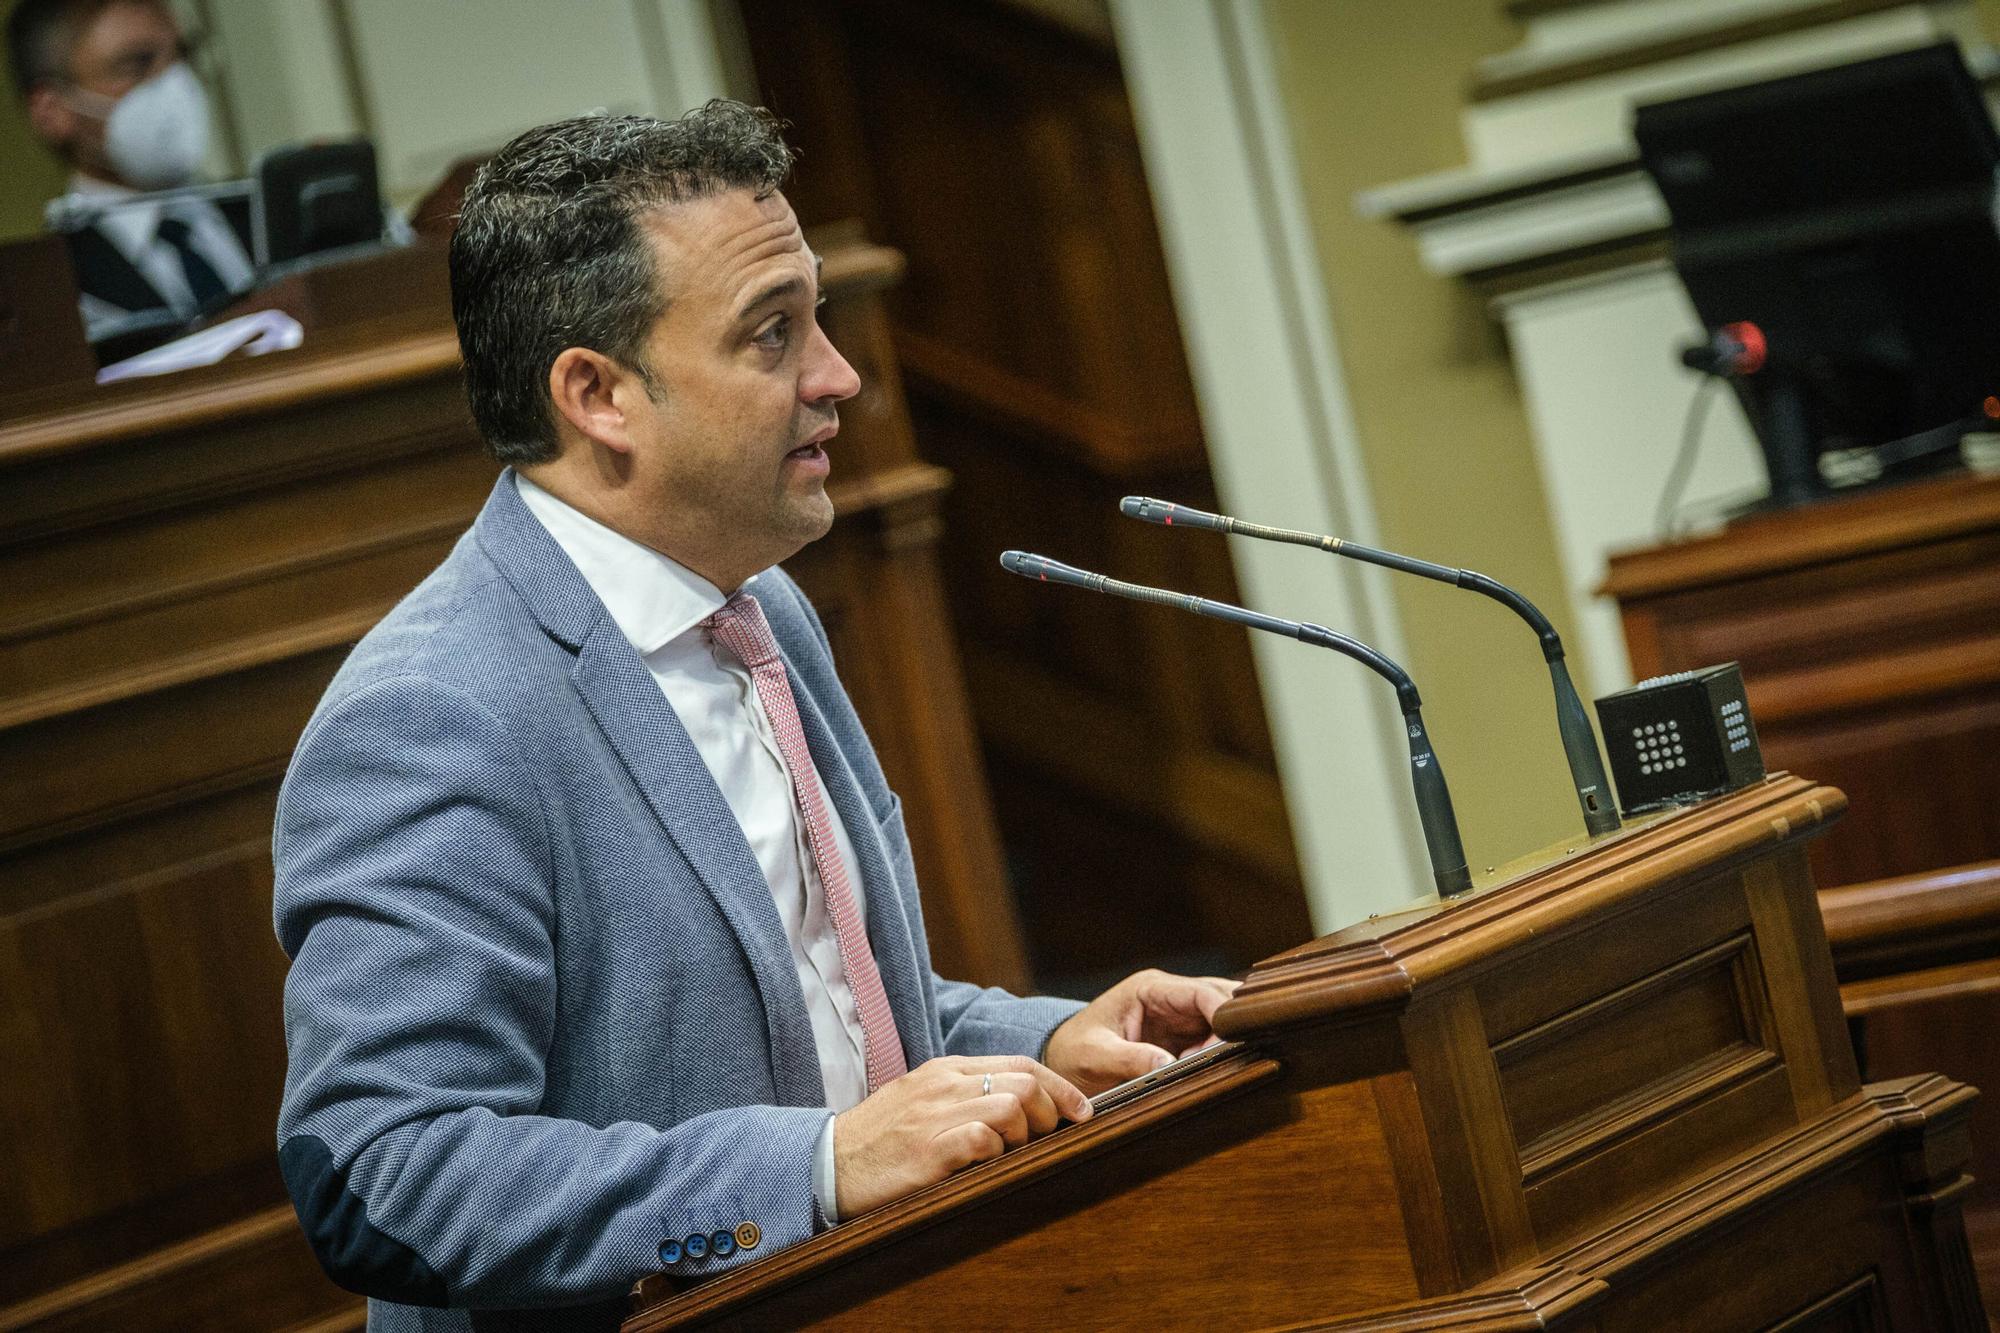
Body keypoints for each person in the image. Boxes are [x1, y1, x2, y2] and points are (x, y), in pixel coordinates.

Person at [273, 101, 1237, 1331]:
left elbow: (832, 1011)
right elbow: (383, 1177)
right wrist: (810, 1172)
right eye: (773, 333)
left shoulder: (759, 607)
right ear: (597, 394)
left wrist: (1045, 1046)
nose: (838, 373)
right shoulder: (432, 713)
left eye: (817, 318)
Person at [6, 0, 252, 346]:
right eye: (138, 63)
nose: (176, 81)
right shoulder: (46, 291)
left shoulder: (266, 213)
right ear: (53, 111)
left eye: (183, 54)